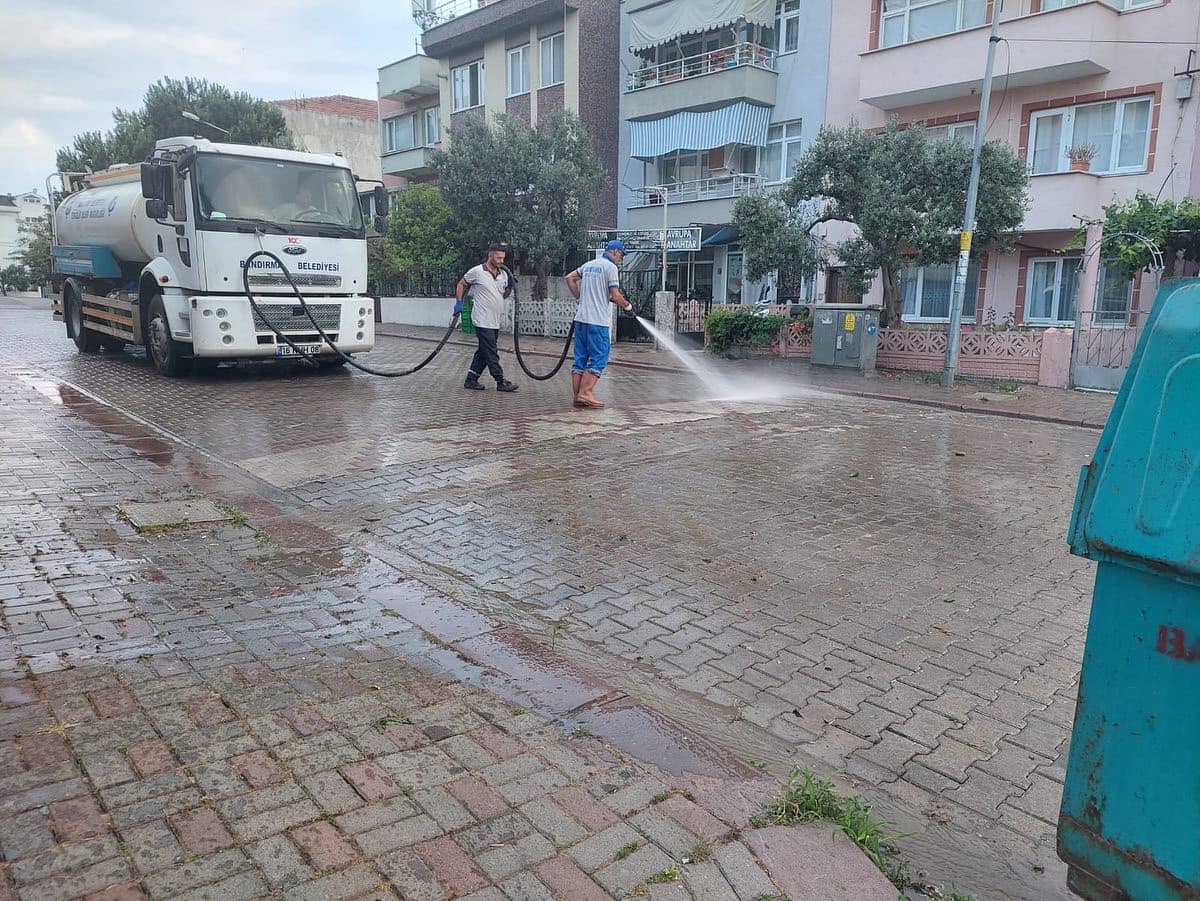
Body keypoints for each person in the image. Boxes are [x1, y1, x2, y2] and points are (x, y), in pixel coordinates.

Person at [565, 239, 633, 409]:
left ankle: (578, 397)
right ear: (615, 252)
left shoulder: (589, 265)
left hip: (581, 320)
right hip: (598, 322)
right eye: (622, 255)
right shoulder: (610, 268)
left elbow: (570, 278)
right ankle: (586, 393)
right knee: (599, 358)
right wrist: (627, 306)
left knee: (580, 359)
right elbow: (615, 296)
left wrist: (580, 297)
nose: (621, 259)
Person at [455, 244, 518, 392]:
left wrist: (509, 286)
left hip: (494, 320)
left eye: (503, 258)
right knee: (491, 350)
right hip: (481, 319)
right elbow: (461, 284)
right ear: (490, 256)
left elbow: (503, 295)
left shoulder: (503, 274)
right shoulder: (477, 271)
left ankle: (471, 379)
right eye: (498, 257)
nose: (501, 261)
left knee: (484, 351)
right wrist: (459, 302)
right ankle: (500, 380)